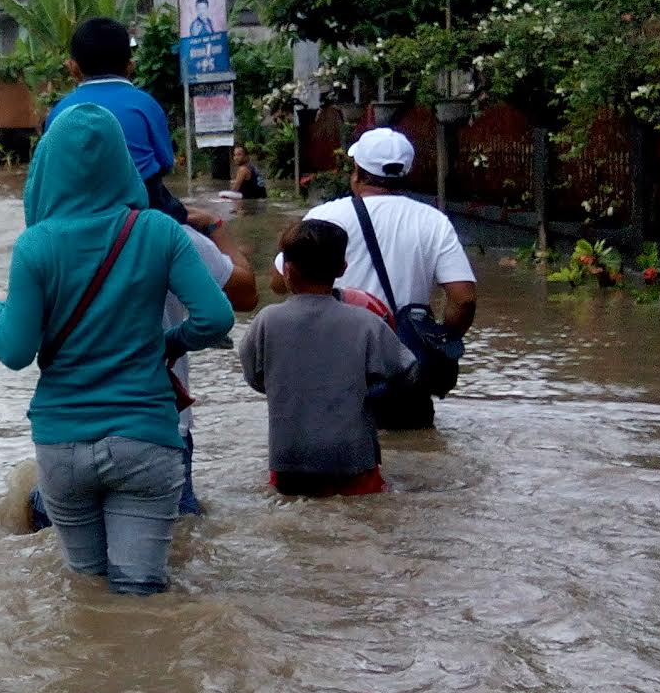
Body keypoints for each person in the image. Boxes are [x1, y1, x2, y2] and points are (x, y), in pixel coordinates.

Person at [0, 104, 233, 594]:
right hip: (146, 439)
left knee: (87, 591)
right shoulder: (160, 231)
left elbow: (17, 350)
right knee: (140, 594)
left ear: (47, 168)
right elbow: (216, 318)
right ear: (123, 166)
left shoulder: (36, 246)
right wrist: (167, 344)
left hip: (62, 445)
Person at [274, 126, 475, 426]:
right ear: (405, 173)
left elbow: (279, 282)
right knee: (416, 456)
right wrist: (440, 340)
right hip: (408, 371)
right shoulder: (434, 221)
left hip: (335, 366)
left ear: (357, 171)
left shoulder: (325, 217)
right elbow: (464, 298)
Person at [240, 218, 418, 498]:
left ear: (286, 270)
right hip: (353, 462)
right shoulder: (367, 323)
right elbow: (407, 373)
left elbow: (255, 378)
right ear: (342, 268)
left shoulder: (266, 321)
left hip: (289, 464)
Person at [40, 16, 186, 221]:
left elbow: (50, 172)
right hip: (144, 204)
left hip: (78, 208)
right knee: (201, 224)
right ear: (130, 66)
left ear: (72, 68)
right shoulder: (145, 104)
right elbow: (165, 163)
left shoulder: (58, 111)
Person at [169, 205, 256, 514]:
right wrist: (216, 227)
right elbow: (242, 297)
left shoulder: (44, 238)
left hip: (66, 428)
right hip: (157, 422)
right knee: (175, 539)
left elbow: (18, 347)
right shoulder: (171, 233)